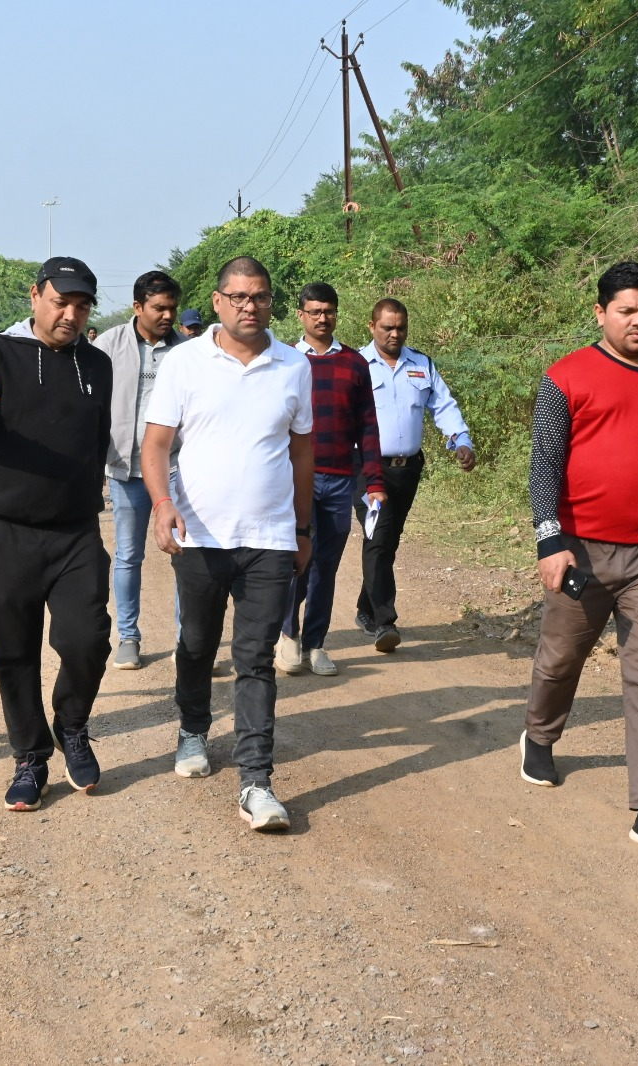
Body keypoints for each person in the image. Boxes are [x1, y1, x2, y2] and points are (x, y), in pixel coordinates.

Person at [522, 261, 638, 861]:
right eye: (627, 311)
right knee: (561, 657)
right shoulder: (566, 377)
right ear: (600, 313)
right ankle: (540, 735)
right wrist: (550, 541)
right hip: (583, 551)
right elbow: (545, 465)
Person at [140, 255, 313, 832]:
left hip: (270, 537)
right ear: (218, 301)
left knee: (256, 658)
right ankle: (193, 729)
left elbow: (302, 452)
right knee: (196, 644)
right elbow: (156, 444)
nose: (249, 306)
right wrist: (162, 505)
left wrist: (303, 529)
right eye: (237, 296)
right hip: (200, 536)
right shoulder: (185, 362)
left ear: (271, 302)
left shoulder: (293, 365)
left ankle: (256, 781)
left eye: (259, 296)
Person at [0, 256, 114, 813]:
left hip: (76, 533)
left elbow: (99, 438)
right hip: (8, 532)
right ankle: (30, 758)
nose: (71, 315)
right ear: (36, 296)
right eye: (61, 302)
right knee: (13, 653)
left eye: (82, 306)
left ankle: (72, 725)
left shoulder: (97, 364)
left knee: (88, 639)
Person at [276, 282, 386, 677]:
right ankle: (287, 636)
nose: (322, 318)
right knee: (295, 560)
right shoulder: (285, 361)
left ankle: (316, 643)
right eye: (315, 311)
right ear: (301, 315)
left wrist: (375, 482)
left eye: (329, 311)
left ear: (336, 314)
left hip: (341, 479)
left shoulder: (355, 363)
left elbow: (368, 426)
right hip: (295, 478)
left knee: (326, 564)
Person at [354, 298, 476, 651]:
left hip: (407, 470)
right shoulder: (356, 365)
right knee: (378, 537)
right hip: (367, 468)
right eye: (387, 327)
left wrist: (460, 441)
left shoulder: (421, 364)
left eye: (401, 328)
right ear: (371, 327)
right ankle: (384, 622)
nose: (395, 334)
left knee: (388, 541)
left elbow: (443, 405)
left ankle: (366, 607)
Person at [93, 271, 184, 670]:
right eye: (158, 308)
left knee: (184, 555)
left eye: (172, 308)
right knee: (129, 555)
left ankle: (187, 638)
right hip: (125, 468)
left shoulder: (187, 352)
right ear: (137, 307)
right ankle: (128, 637)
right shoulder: (108, 346)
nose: (167, 316)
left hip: (176, 469)